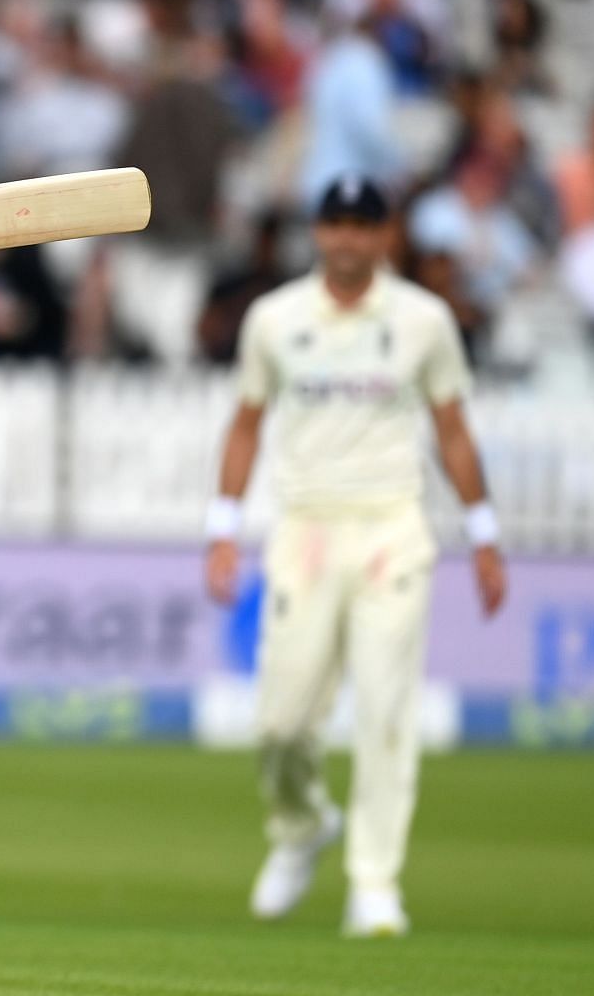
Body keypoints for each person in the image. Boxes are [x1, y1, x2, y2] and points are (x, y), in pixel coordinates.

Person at [204, 176, 508, 937]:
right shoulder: (275, 319)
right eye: (334, 224)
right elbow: (244, 425)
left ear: (385, 235)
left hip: (390, 528)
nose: (346, 238)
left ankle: (375, 882)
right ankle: (302, 825)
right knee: (280, 721)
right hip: (304, 528)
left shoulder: (423, 320)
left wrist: (485, 534)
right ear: (319, 232)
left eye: (361, 226)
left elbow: (454, 430)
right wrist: (222, 530)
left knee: (384, 711)